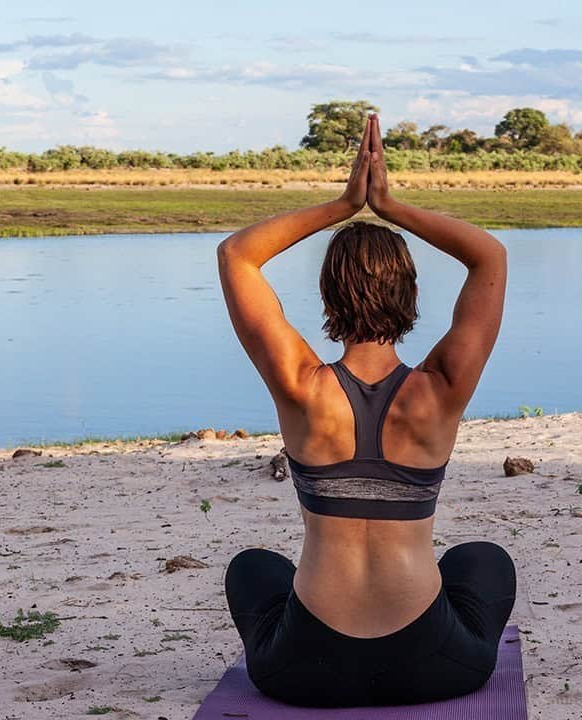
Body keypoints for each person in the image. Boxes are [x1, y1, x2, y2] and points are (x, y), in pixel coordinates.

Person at [215, 115, 515, 707]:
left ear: (327, 295)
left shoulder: (302, 386)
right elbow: (490, 258)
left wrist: (345, 204)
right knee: (483, 562)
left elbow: (237, 256)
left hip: (305, 670)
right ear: (411, 294)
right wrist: (390, 205)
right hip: (433, 665)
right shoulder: (441, 387)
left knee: (252, 569)